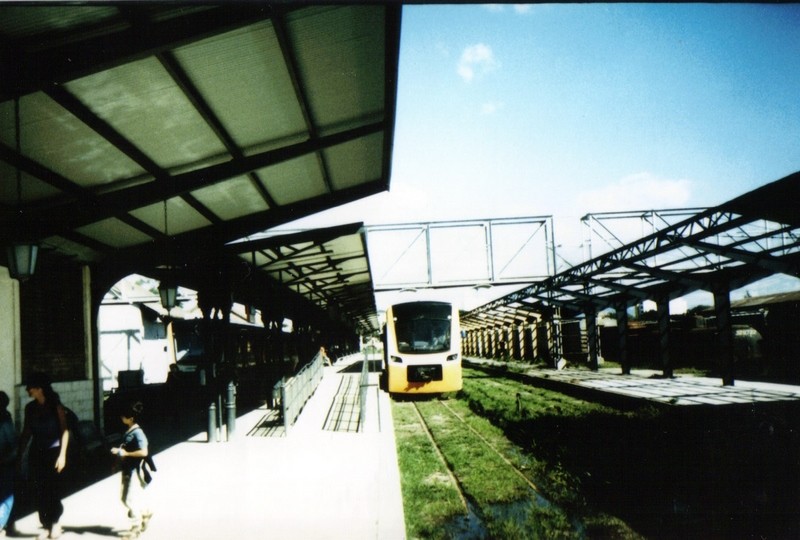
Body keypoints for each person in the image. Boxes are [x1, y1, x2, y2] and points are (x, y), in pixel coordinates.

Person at [18, 373, 69, 540]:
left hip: (53, 454)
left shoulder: (56, 406)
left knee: (52, 489)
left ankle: (55, 523)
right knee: (39, 490)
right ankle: (46, 524)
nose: (27, 390)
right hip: (37, 453)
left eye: (30, 387)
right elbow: (27, 432)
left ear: (39, 389)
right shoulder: (30, 408)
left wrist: (62, 456)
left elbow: (64, 431)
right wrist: (20, 452)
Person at [111, 401, 152, 538]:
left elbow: (144, 452)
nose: (121, 418)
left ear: (131, 418)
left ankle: (135, 528)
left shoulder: (138, 433)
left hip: (134, 470)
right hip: (128, 469)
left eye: (124, 416)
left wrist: (125, 454)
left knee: (128, 499)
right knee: (126, 498)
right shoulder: (130, 430)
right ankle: (145, 513)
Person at [0, 391, 17, 538]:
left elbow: (11, 445)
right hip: (5, 462)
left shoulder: (5, 421)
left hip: (4, 462)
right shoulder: (6, 420)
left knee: (5, 496)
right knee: (5, 497)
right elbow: (12, 444)